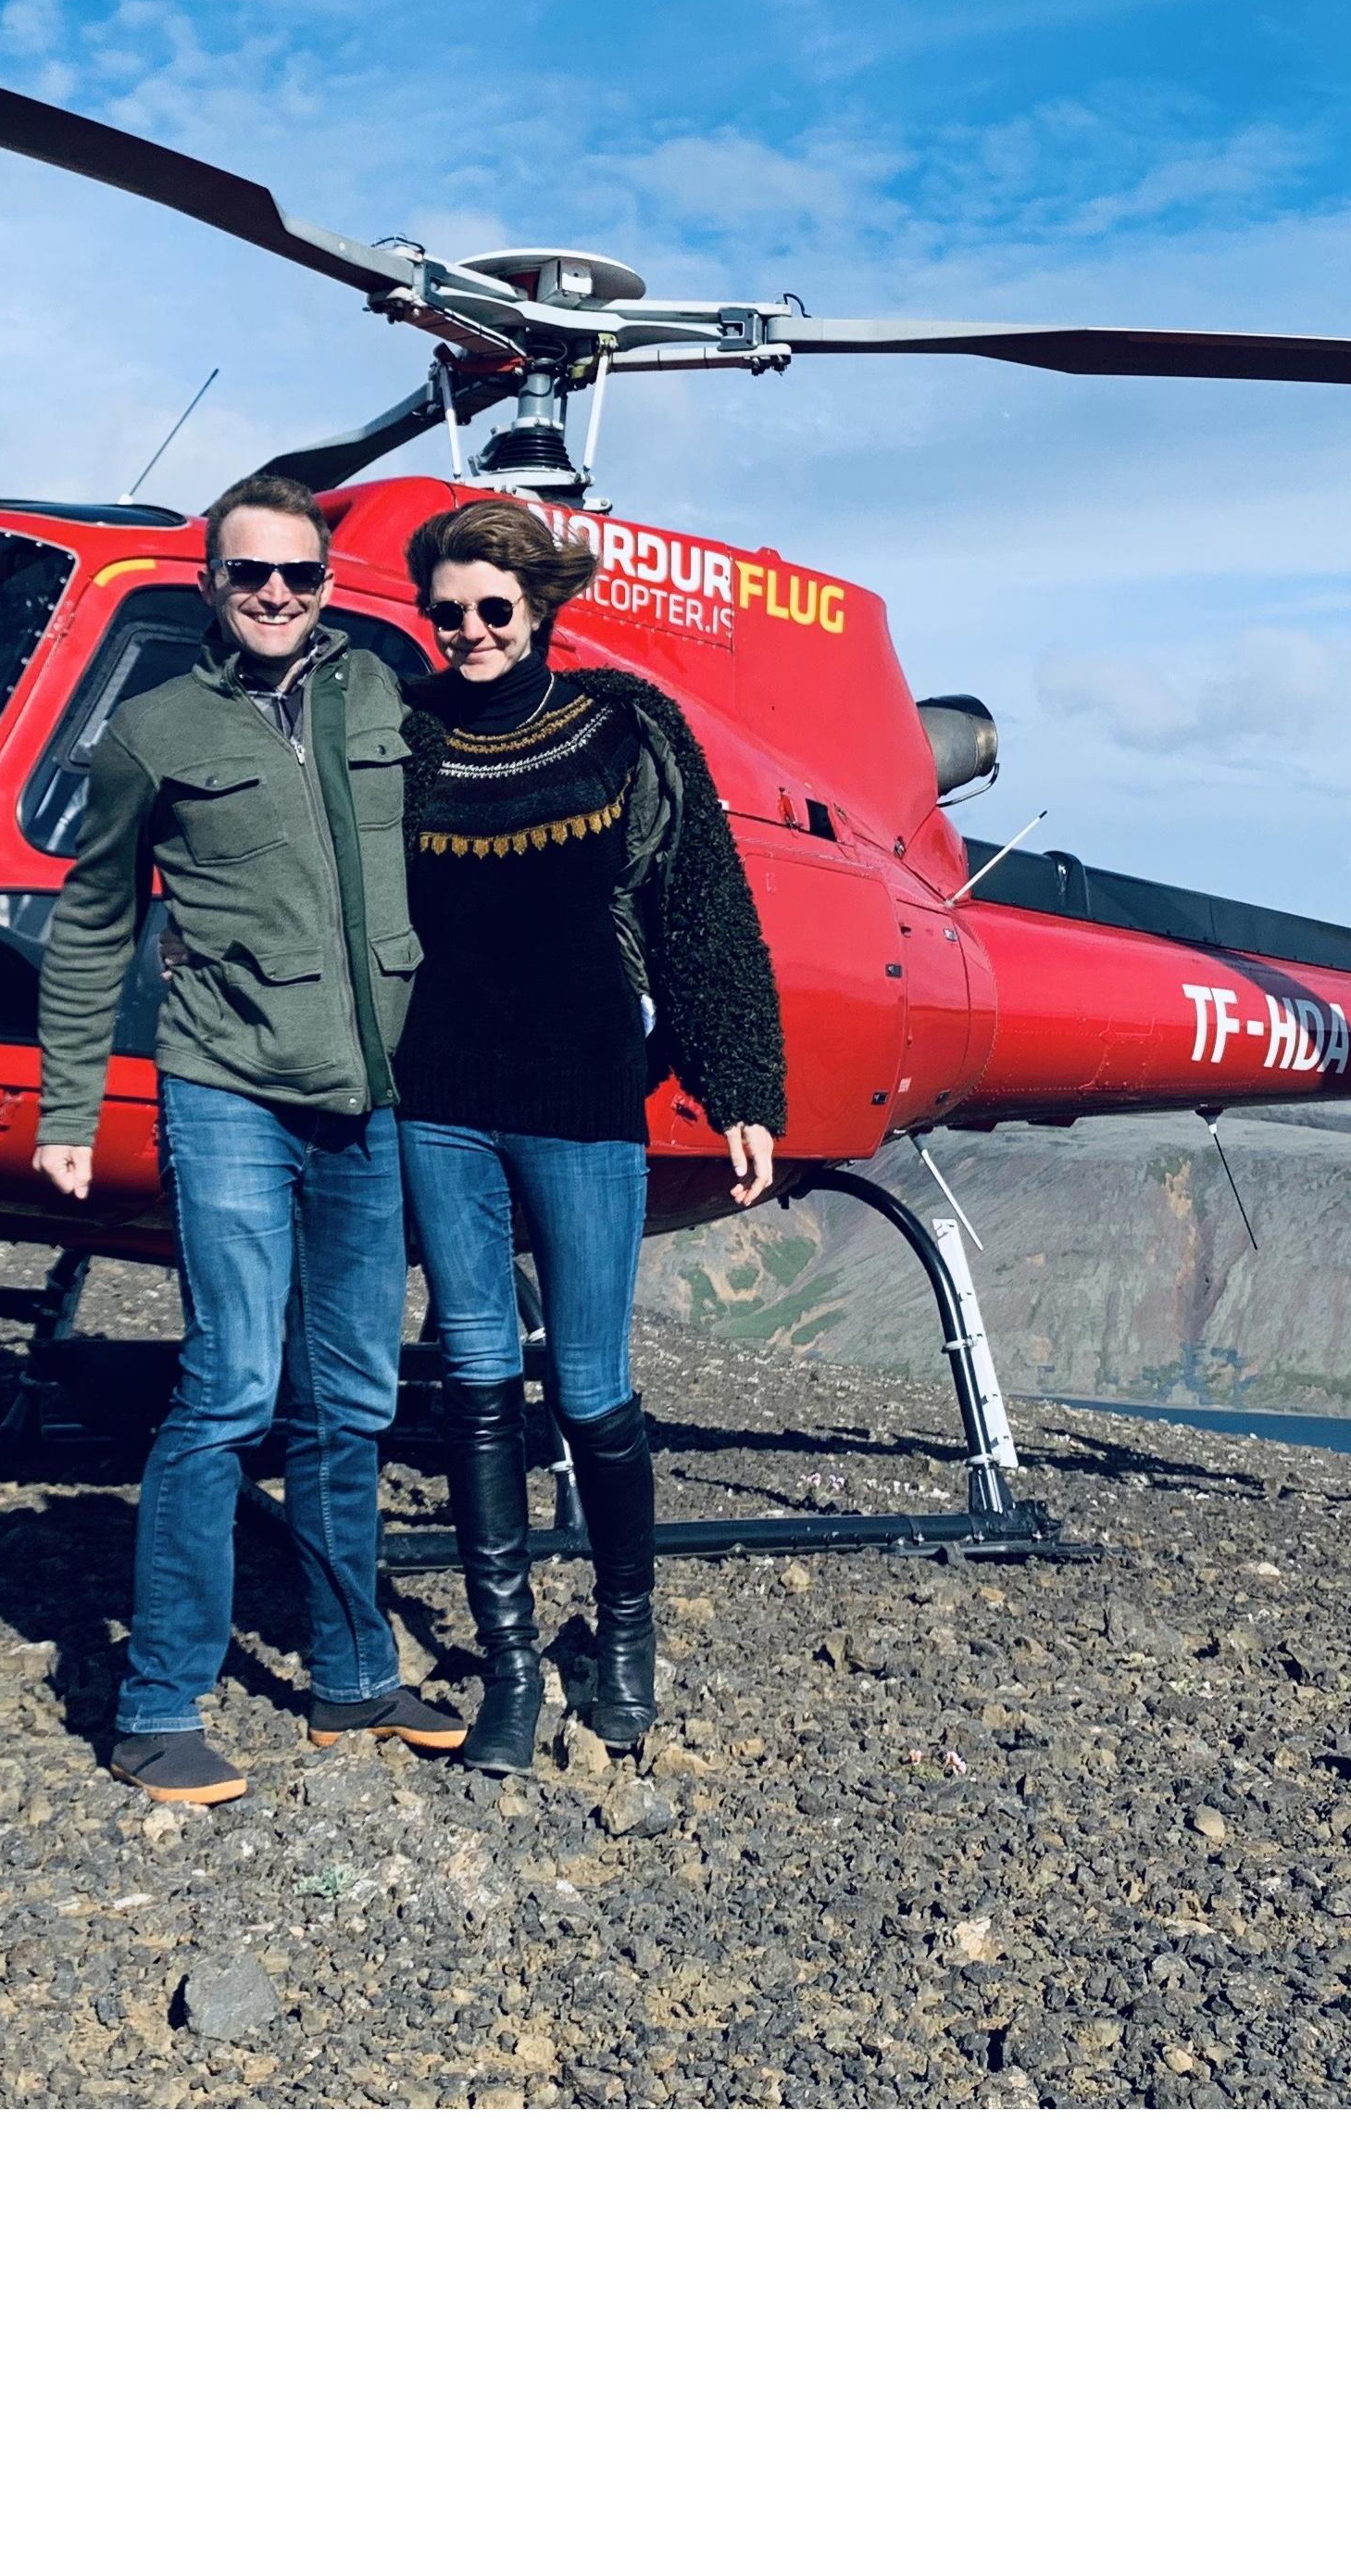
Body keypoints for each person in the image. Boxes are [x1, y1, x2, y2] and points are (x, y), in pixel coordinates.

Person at [33, 471, 466, 1802]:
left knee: (354, 1398)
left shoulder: (386, 700)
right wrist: (65, 1105)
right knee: (227, 1385)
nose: (276, 596)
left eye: (299, 576)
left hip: (370, 1097)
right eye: (249, 576)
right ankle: (158, 1703)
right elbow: (97, 916)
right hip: (224, 1084)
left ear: (329, 584)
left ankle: (351, 1678)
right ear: (210, 583)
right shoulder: (150, 732)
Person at [393, 496, 785, 1770]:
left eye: (493, 608)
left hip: (583, 1098)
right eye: (445, 611)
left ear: (542, 605)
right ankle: (509, 1670)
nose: (468, 630)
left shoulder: (630, 730)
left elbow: (702, 907)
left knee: (595, 1388)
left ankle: (623, 1631)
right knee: (474, 1386)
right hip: (440, 1098)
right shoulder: (404, 738)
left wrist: (741, 1090)